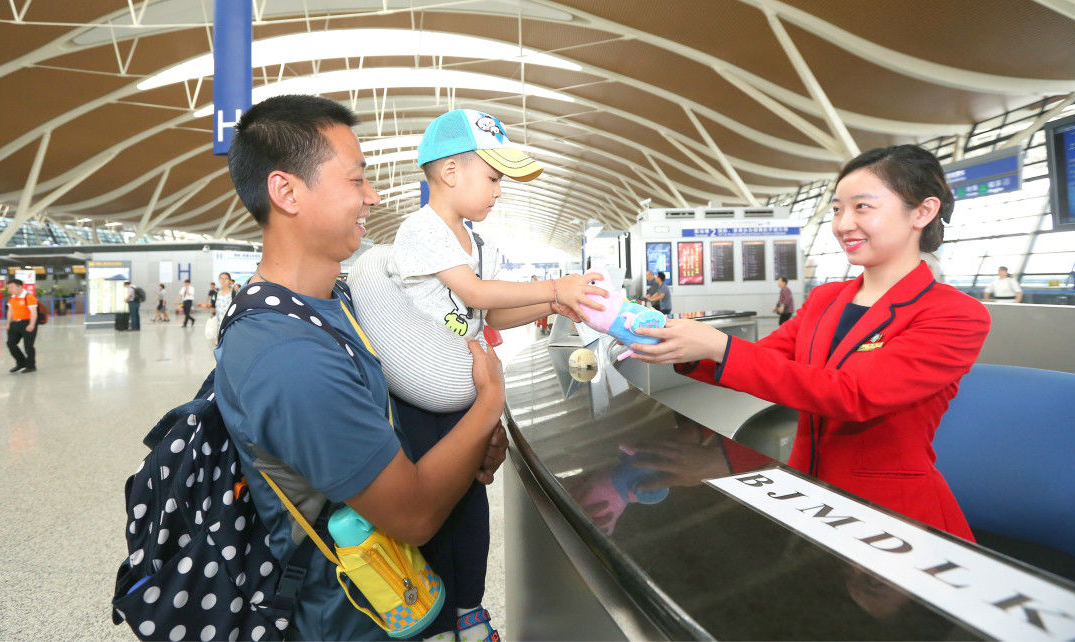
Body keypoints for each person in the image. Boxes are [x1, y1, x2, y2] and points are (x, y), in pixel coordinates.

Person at [218, 94, 508, 641]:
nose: (373, 196)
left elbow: (397, 414)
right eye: (356, 181)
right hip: (355, 617)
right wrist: (488, 401)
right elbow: (414, 513)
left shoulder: (342, 303)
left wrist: (472, 440)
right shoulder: (288, 358)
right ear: (286, 191)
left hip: (403, 593)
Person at [630, 144, 990, 541]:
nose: (842, 224)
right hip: (806, 494)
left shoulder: (955, 314)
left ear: (922, 212)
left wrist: (718, 346)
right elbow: (761, 361)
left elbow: (854, 395)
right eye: (837, 209)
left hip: (892, 518)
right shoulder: (825, 299)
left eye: (862, 207)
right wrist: (667, 341)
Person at [349, 108, 603, 641]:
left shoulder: (475, 241)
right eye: (492, 178)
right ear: (449, 173)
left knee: (468, 505)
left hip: (460, 395)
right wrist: (556, 287)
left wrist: (549, 309)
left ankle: (468, 604)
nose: (498, 191)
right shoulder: (423, 229)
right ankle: (435, 615)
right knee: (431, 503)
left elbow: (488, 313)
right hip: (422, 398)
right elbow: (475, 295)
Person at [5, 278, 38, 373]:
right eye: (8, 288)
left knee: (28, 346)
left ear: (20, 287)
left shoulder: (28, 297)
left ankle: (31, 366)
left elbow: (33, 312)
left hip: (27, 323)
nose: (9, 289)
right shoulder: (12, 298)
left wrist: (32, 324)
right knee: (10, 343)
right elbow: (10, 312)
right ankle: (21, 362)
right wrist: (8, 324)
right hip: (15, 323)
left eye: (12, 287)